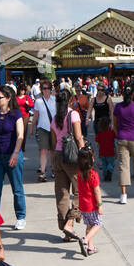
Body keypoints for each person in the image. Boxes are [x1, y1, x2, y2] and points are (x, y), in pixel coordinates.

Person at [0, 85, 27, 230]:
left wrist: (16, 153)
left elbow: (20, 135)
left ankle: (21, 216)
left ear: (8, 98)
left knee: (17, 188)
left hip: (12, 154)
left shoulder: (16, 114)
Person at [51, 88, 86, 240]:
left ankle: (66, 232)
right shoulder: (73, 114)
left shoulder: (55, 118)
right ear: (70, 99)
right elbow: (78, 138)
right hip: (72, 156)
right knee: (80, 190)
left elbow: (54, 141)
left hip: (58, 155)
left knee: (62, 194)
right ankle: (70, 223)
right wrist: (85, 154)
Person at [72, 146, 102, 256]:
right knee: (98, 224)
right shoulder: (93, 174)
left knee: (89, 226)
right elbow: (97, 191)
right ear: (92, 159)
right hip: (92, 206)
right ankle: (85, 239)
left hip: (83, 206)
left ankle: (90, 247)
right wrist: (100, 205)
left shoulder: (79, 173)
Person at [33, 80, 58, 183]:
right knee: (43, 150)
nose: (46, 90)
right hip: (42, 128)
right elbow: (35, 116)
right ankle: (42, 172)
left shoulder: (55, 100)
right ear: (41, 90)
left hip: (53, 129)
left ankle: (53, 169)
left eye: (48, 88)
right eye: (44, 88)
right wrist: (31, 129)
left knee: (53, 151)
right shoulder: (38, 101)